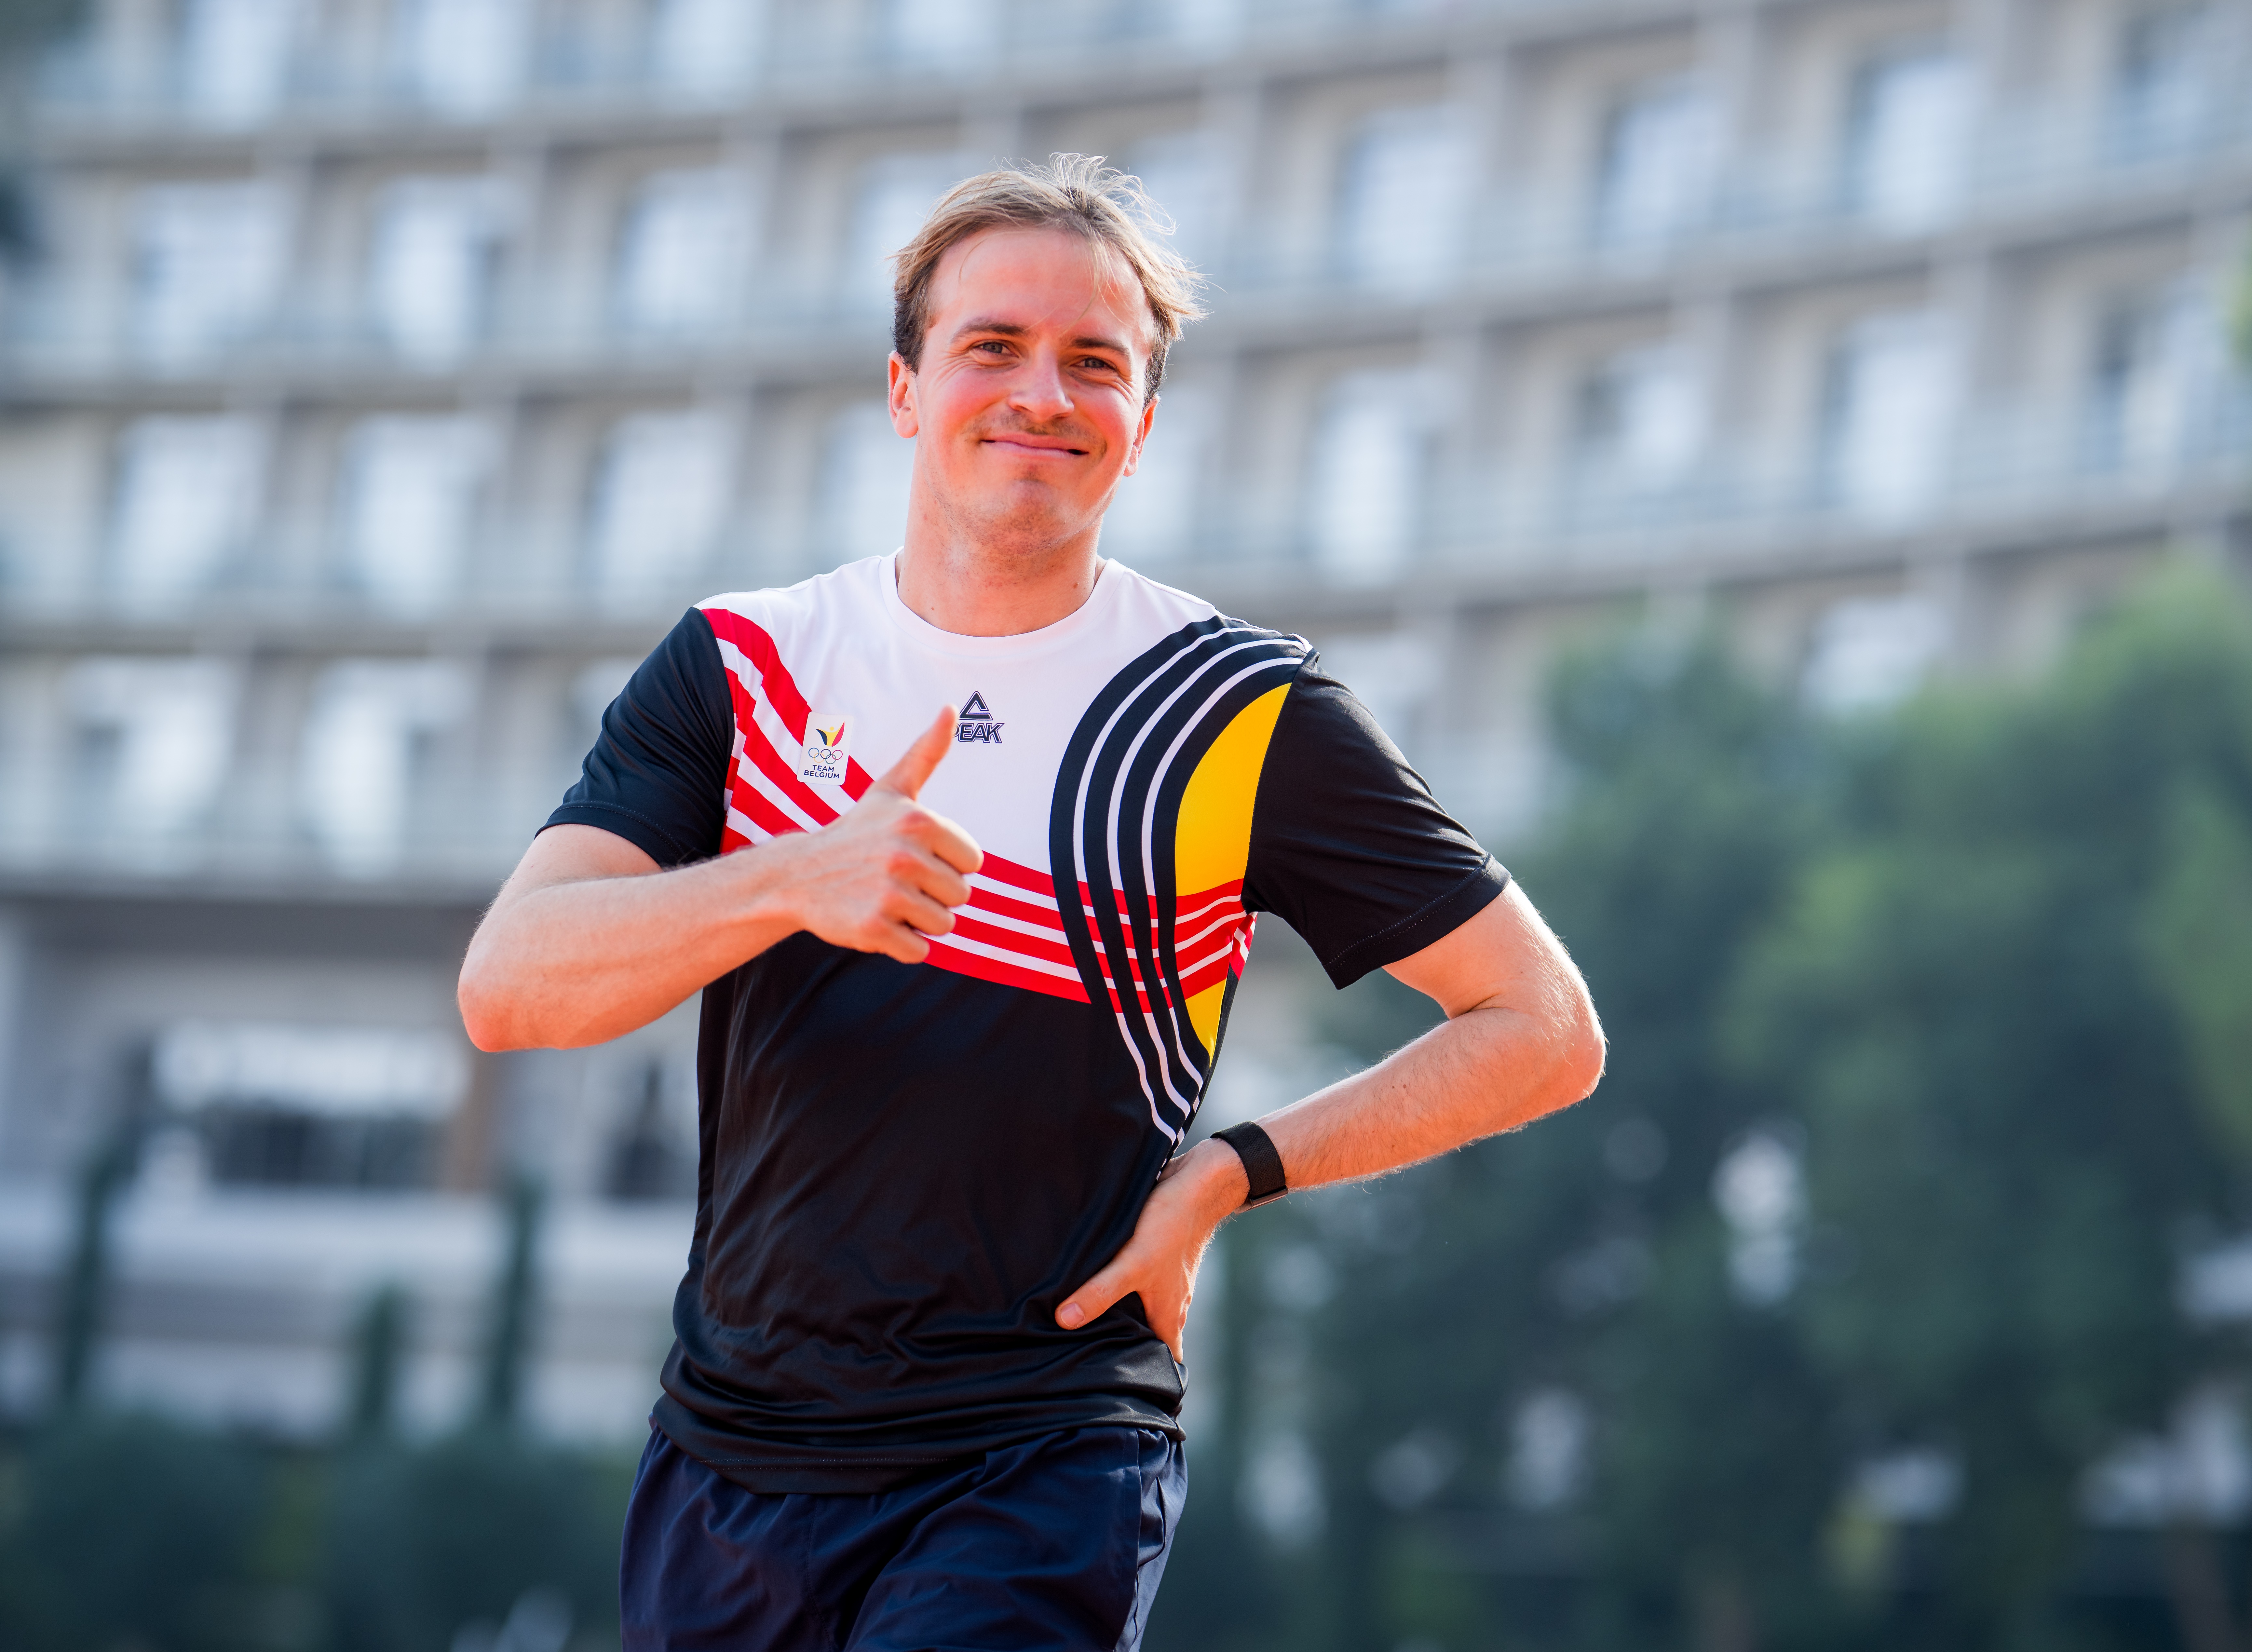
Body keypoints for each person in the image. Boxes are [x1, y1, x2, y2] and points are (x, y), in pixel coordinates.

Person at [458, 154, 1604, 1652]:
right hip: (732, 1454)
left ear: (1138, 432)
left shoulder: (1239, 709)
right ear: (904, 389)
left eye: (1095, 365)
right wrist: (797, 878)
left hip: (1044, 1441)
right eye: (991, 346)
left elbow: (1543, 1026)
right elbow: (511, 987)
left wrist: (1233, 1171)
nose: (1042, 394)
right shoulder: (741, 664)